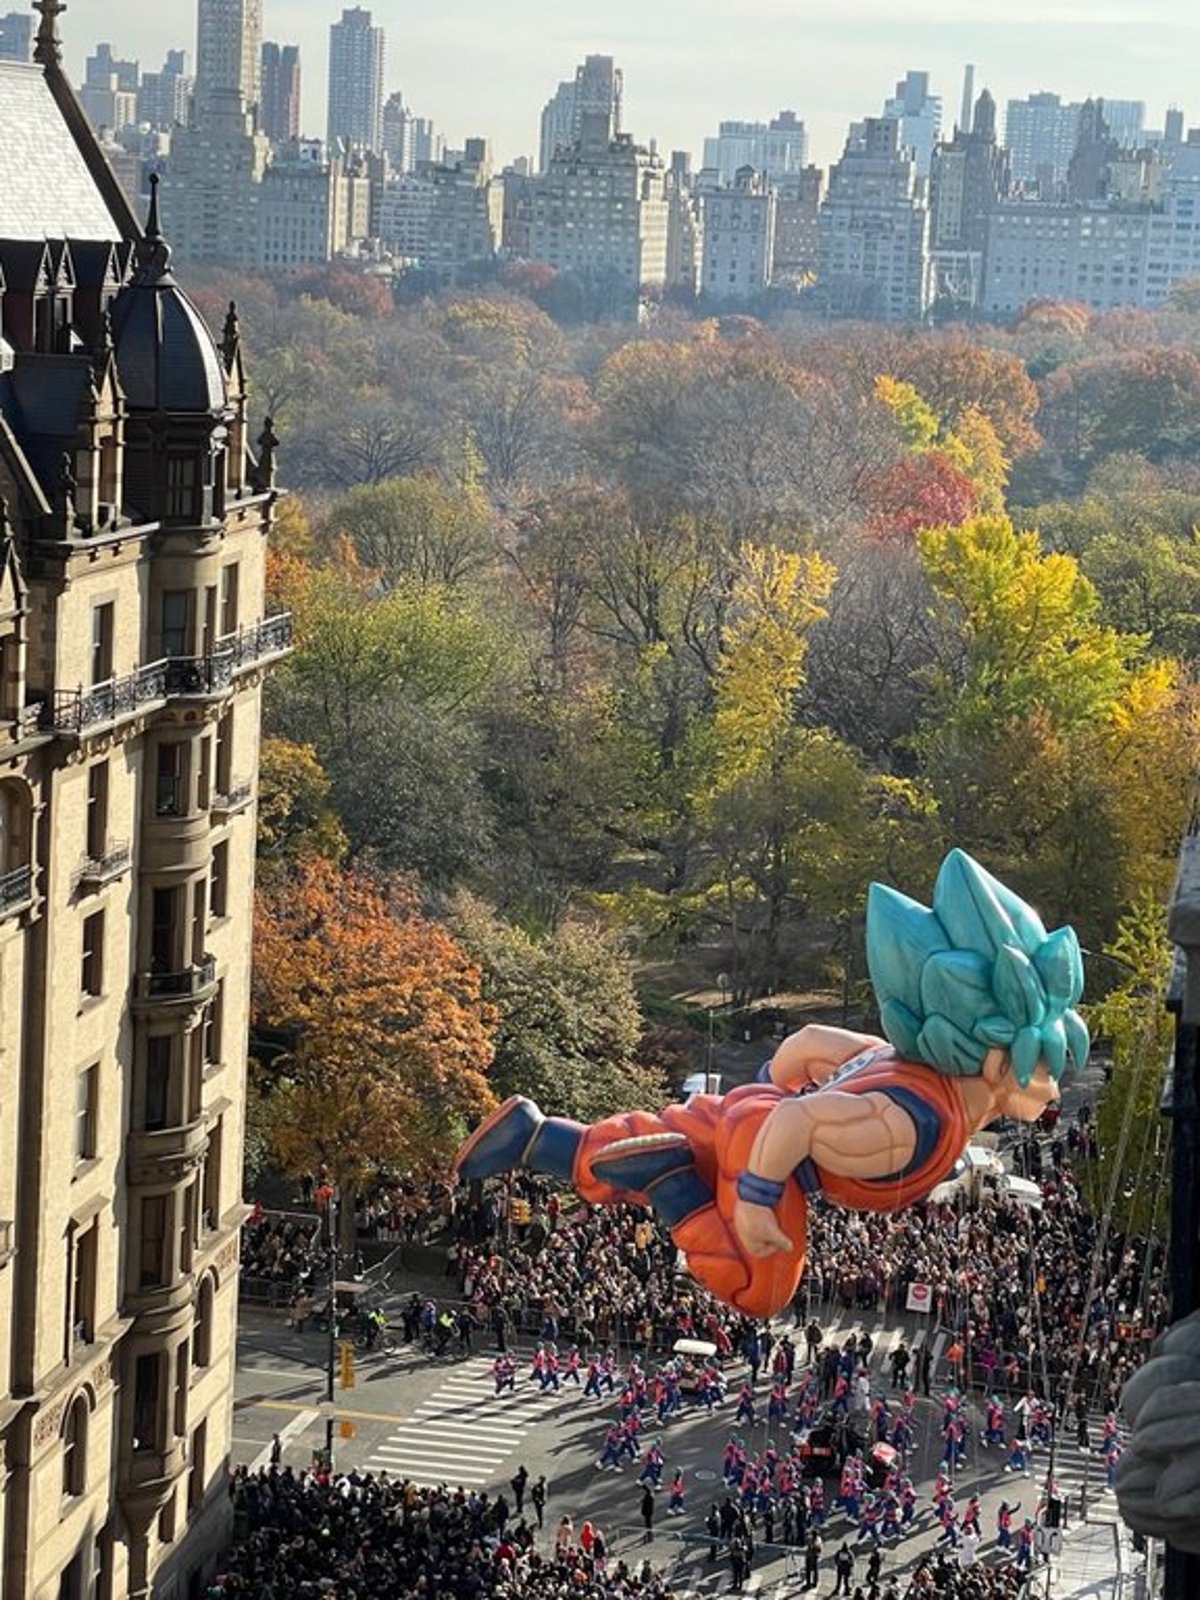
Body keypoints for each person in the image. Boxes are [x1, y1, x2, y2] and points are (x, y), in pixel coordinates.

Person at [455, 850, 1088, 1318]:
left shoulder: (895, 1059)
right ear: (998, 1064)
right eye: (1045, 1071)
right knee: (758, 1292)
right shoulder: (914, 1129)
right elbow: (799, 1126)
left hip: (762, 1106)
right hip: (773, 1143)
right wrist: (756, 1197)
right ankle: (669, 1182)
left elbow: (807, 1044)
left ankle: (533, 1136)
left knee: (639, 1140)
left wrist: (759, 1093)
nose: (1055, 1092)